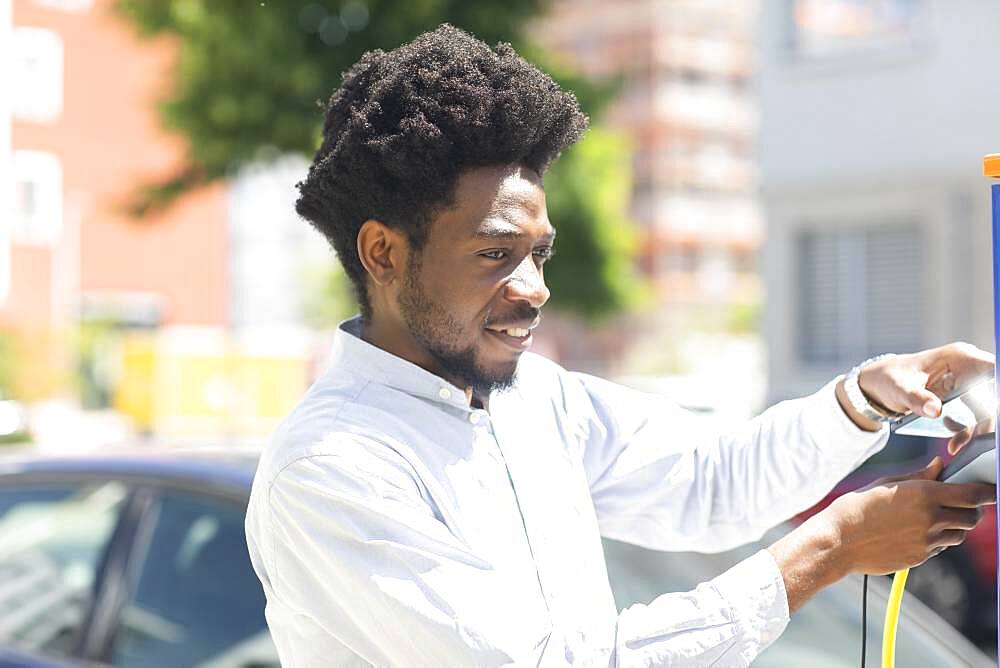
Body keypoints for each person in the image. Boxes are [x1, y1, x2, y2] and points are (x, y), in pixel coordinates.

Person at [244, 24, 996, 666]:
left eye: (539, 254)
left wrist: (864, 401)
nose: (534, 288)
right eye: (492, 255)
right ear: (383, 254)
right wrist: (826, 551)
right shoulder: (332, 465)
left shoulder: (540, 399)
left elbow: (713, 486)